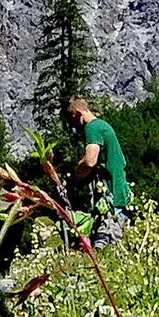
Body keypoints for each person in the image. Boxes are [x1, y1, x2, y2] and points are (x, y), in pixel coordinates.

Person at [63, 96, 131, 241]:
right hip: (118, 189)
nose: (72, 125)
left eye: (71, 119)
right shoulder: (102, 126)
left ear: (78, 113)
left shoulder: (92, 127)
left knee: (105, 239)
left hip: (109, 194)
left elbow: (89, 161)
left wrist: (74, 177)